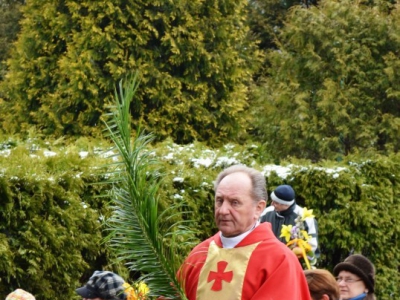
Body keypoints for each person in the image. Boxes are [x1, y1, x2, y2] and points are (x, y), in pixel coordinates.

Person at [179, 165, 311, 300]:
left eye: (234, 202)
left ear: (258, 208)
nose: (223, 210)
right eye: (219, 201)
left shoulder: (279, 261)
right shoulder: (198, 255)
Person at [260, 184, 319, 255]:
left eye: (276, 203)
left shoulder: (305, 218)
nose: (272, 204)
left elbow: (312, 246)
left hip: (294, 262)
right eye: (272, 201)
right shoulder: (266, 213)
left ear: (286, 204)